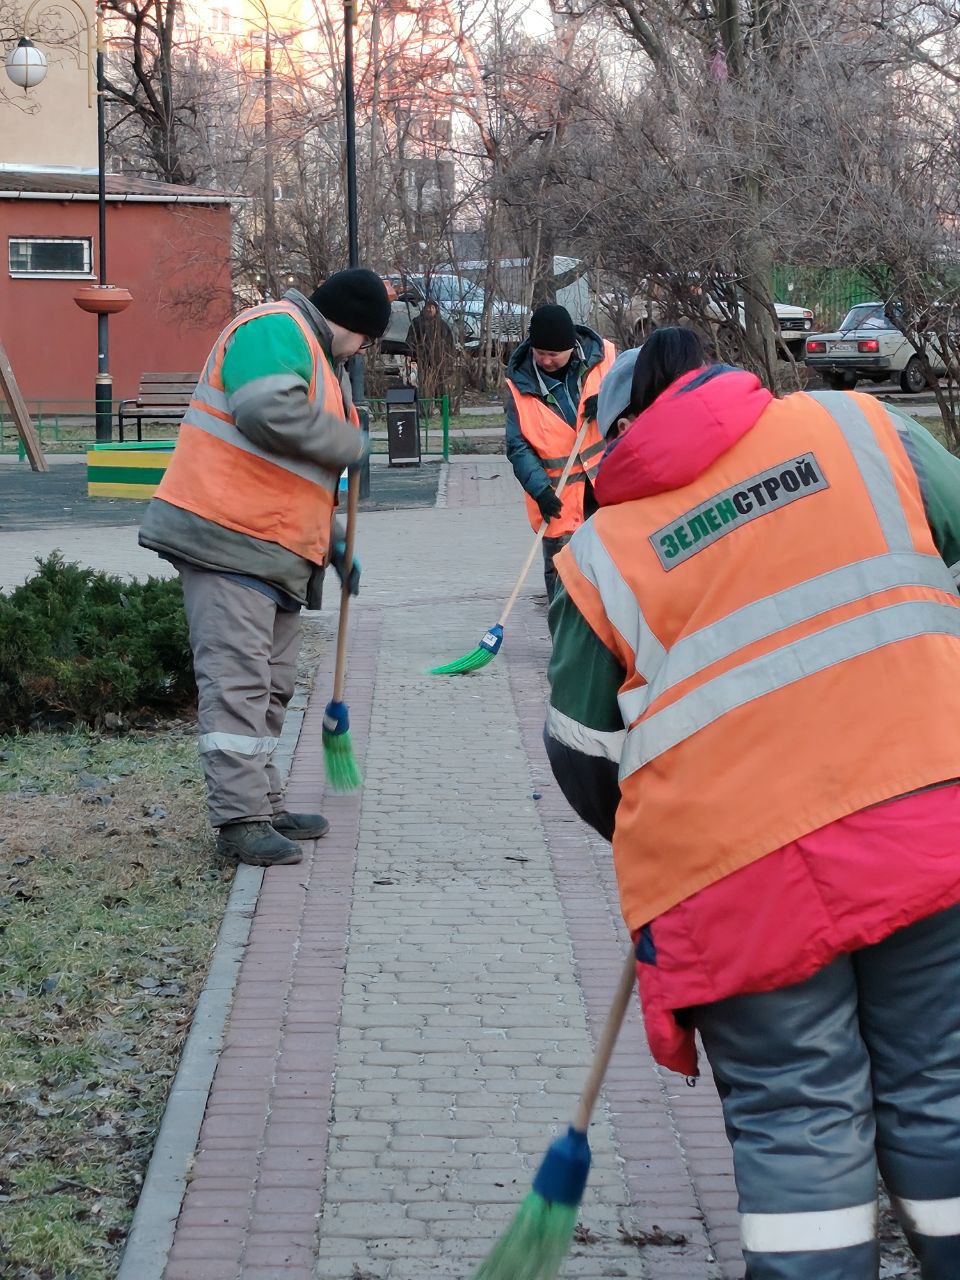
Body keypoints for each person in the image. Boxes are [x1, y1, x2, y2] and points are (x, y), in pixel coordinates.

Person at [545, 326, 960, 1280]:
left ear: (623, 433)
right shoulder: (862, 428)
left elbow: (582, 757)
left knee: (797, 1116)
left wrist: (665, 826)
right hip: (927, 819)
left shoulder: (602, 551)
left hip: (736, 873)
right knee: (941, 1084)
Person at [139, 268, 391, 868]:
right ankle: (239, 821)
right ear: (356, 328)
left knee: (271, 688)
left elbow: (290, 477)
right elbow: (265, 414)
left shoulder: (313, 358)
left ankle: (265, 803)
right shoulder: (276, 328)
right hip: (227, 540)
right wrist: (347, 443)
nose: (363, 353)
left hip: (272, 550)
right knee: (239, 687)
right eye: (368, 342)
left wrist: (332, 545)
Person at [504, 303, 616, 600]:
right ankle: (564, 644)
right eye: (540, 353)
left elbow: (637, 399)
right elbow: (518, 446)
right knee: (562, 580)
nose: (546, 360)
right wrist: (539, 489)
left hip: (610, 489)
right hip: (558, 499)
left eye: (553, 354)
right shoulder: (519, 385)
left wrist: (608, 403)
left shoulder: (605, 358)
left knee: (613, 572)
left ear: (571, 348)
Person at [407, 298, 456, 409]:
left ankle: (441, 405)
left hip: (438, 358)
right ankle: (425, 406)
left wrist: (449, 356)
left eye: (432, 307)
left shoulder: (442, 324)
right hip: (422, 357)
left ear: (436, 309)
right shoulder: (417, 322)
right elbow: (411, 339)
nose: (429, 309)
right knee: (424, 381)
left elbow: (449, 341)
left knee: (440, 381)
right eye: (427, 307)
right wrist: (413, 353)